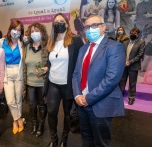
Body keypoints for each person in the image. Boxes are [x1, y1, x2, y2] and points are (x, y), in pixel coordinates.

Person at [72, 15, 126, 147]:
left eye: (94, 25)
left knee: (102, 143)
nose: (90, 29)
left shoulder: (114, 47)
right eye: (87, 27)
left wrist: (88, 98)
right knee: (87, 140)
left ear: (103, 27)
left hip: (101, 103)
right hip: (82, 104)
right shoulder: (83, 49)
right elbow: (76, 74)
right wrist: (78, 95)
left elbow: (111, 79)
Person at [43, 13, 84, 147]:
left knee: (67, 114)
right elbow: (51, 61)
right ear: (53, 25)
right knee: (51, 112)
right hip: (53, 83)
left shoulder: (75, 40)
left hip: (68, 84)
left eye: (61, 21)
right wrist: (46, 68)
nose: (59, 24)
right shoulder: (51, 41)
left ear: (67, 24)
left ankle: (64, 140)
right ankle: (54, 140)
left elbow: (80, 63)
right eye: (56, 22)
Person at [0, 20, 26, 135]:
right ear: (10, 29)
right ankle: (19, 119)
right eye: (15, 29)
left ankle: (15, 121)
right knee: (10, 100)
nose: (16, 32)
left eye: (19, 30)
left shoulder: (22, 42)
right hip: (7, 72)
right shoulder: (1, 42)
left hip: (18, 72)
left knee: (18, 99)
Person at [22, 22, 49, 137]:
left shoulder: (47, 46)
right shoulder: (26, 47)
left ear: (42, 32)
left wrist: (47, 68)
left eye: (37, 31)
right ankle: (34, 123)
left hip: (42, 82)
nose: (34, 33)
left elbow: (51, 63)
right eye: (32, 31)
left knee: (42, 105)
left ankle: (41, 126)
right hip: (30, 82)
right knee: (32, 105)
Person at [119, 27, 145, 105]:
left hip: (133, 66)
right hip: (124, 65)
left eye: (135, 33)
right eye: (131, 33)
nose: (132, 34)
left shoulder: (141, 42)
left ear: (138, 35)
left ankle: (131, 97)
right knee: (122, 82)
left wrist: (129, 62)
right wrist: (124, 61)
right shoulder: (125, 42)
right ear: (129, 33)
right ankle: (120, 95)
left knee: (132, 83)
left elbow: (140, 55)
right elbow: (121, 53)